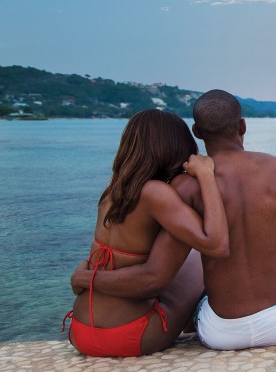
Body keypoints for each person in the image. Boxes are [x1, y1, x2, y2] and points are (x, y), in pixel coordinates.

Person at [71, 89, 276, 350]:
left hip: (221, 332)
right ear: (243, 126)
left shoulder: (180, 188)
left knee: (193, 258)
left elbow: (160, 271)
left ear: (197, 132)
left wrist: (89, 278)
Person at [64, 109, 230, 357]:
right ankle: (212, 323)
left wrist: (84, 279)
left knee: (178, 255)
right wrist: (206, 175)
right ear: (173, 147)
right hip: (128, 335)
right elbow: (216, 245)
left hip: (81, 332)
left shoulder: (112, 193)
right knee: (197, 259)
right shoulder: (154, 193)